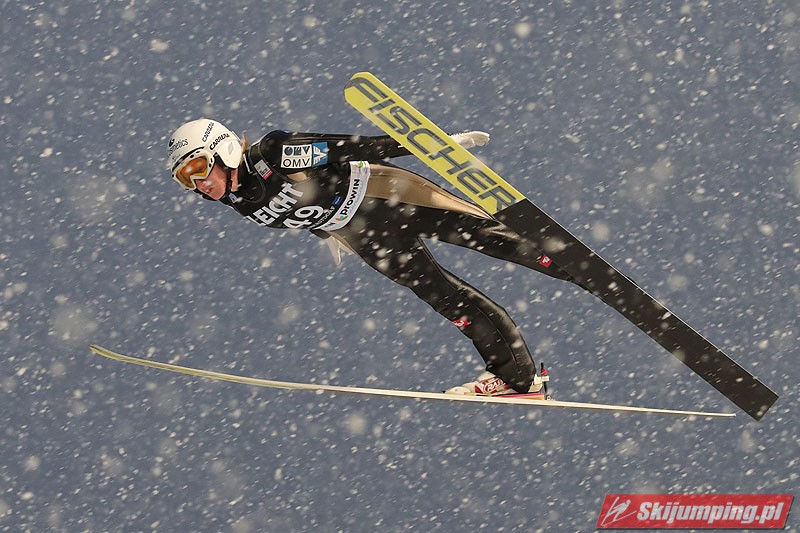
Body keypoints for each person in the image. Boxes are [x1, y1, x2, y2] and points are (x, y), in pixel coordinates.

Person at [167, 118, 584, 396]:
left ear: (222, 149)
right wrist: (328, 231)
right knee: (445, 298)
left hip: (385, 196)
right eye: (185, 179)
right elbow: (303, 208)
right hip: (363, 235)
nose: (197, 183)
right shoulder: (238, 201)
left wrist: (431, 147)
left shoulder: (272, 155)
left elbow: (349, 147)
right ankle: (517, 378)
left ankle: (578, 269)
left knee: (488, 238)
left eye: (198, 167)